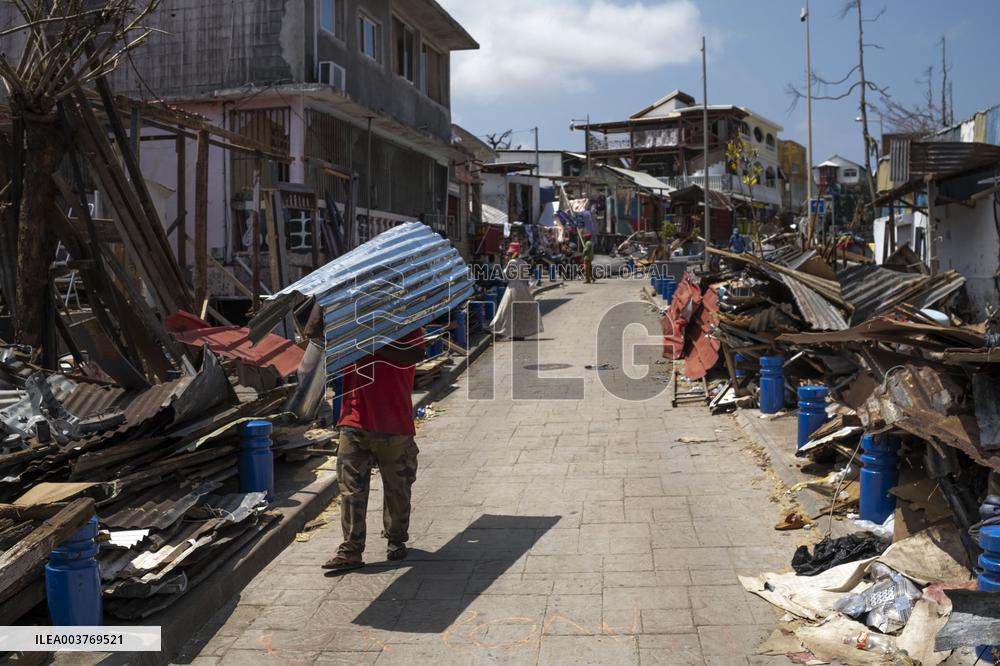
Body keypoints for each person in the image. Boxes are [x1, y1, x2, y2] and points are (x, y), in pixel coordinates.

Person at [323, 328, 425, 572]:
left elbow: (413, 355)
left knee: (397, 487)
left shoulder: (406, 323)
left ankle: (396, 538)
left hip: (393, 423)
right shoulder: (349, 322)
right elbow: (320, 340)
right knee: (350, 489)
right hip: (353, 418)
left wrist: (372, 342)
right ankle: (351, 549)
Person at [490, 250, 543, 340]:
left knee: (506, 310)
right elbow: (526, 277)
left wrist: (505, 265)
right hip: (523, 288)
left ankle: (502, 330)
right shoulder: (524, 262)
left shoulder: (512, 262)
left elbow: (506, 276)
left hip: (513, 288)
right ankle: (520, 334)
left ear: (511, 254)